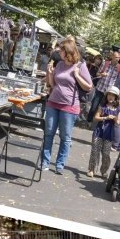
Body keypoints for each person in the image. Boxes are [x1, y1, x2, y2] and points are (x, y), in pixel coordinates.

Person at [39, 38, 93, 175]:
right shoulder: (60, 64)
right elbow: (52, 84)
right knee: (49, 133)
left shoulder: (80, 66)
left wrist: (77, 76)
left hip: (69, 106)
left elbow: (89, 86)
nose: (59, 51)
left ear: (68, 51)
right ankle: (45, 162)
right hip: (53, 102)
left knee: (65, 136)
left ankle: (59, 164)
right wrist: (50, 73)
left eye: (61, 50)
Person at [87, 85, 120, 179]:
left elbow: (118, 122)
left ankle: (104, 171)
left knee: (106, 153)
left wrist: (114, 118)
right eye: (109, 94)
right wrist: (105, 117)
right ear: (106, 96)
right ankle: (92, 169)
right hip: (99, 131)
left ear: (116, 97)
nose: (110, 97)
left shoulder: (117, 109)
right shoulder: (102, 107)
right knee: (95, 151)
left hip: (109, 134)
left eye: (113, 95)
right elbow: (96, 117)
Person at [86, 49, 120, 122]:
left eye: (118, 58)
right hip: (100, 89)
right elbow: (97, 74)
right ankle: (89, 120)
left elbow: (117, 80)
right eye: (116, 57)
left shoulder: (119, 68)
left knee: (105, 108)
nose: (117, 59)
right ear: (112, 57)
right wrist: (102, 74)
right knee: (94, 107)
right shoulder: (105, 63)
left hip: (109, 92)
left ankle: (101, 122)